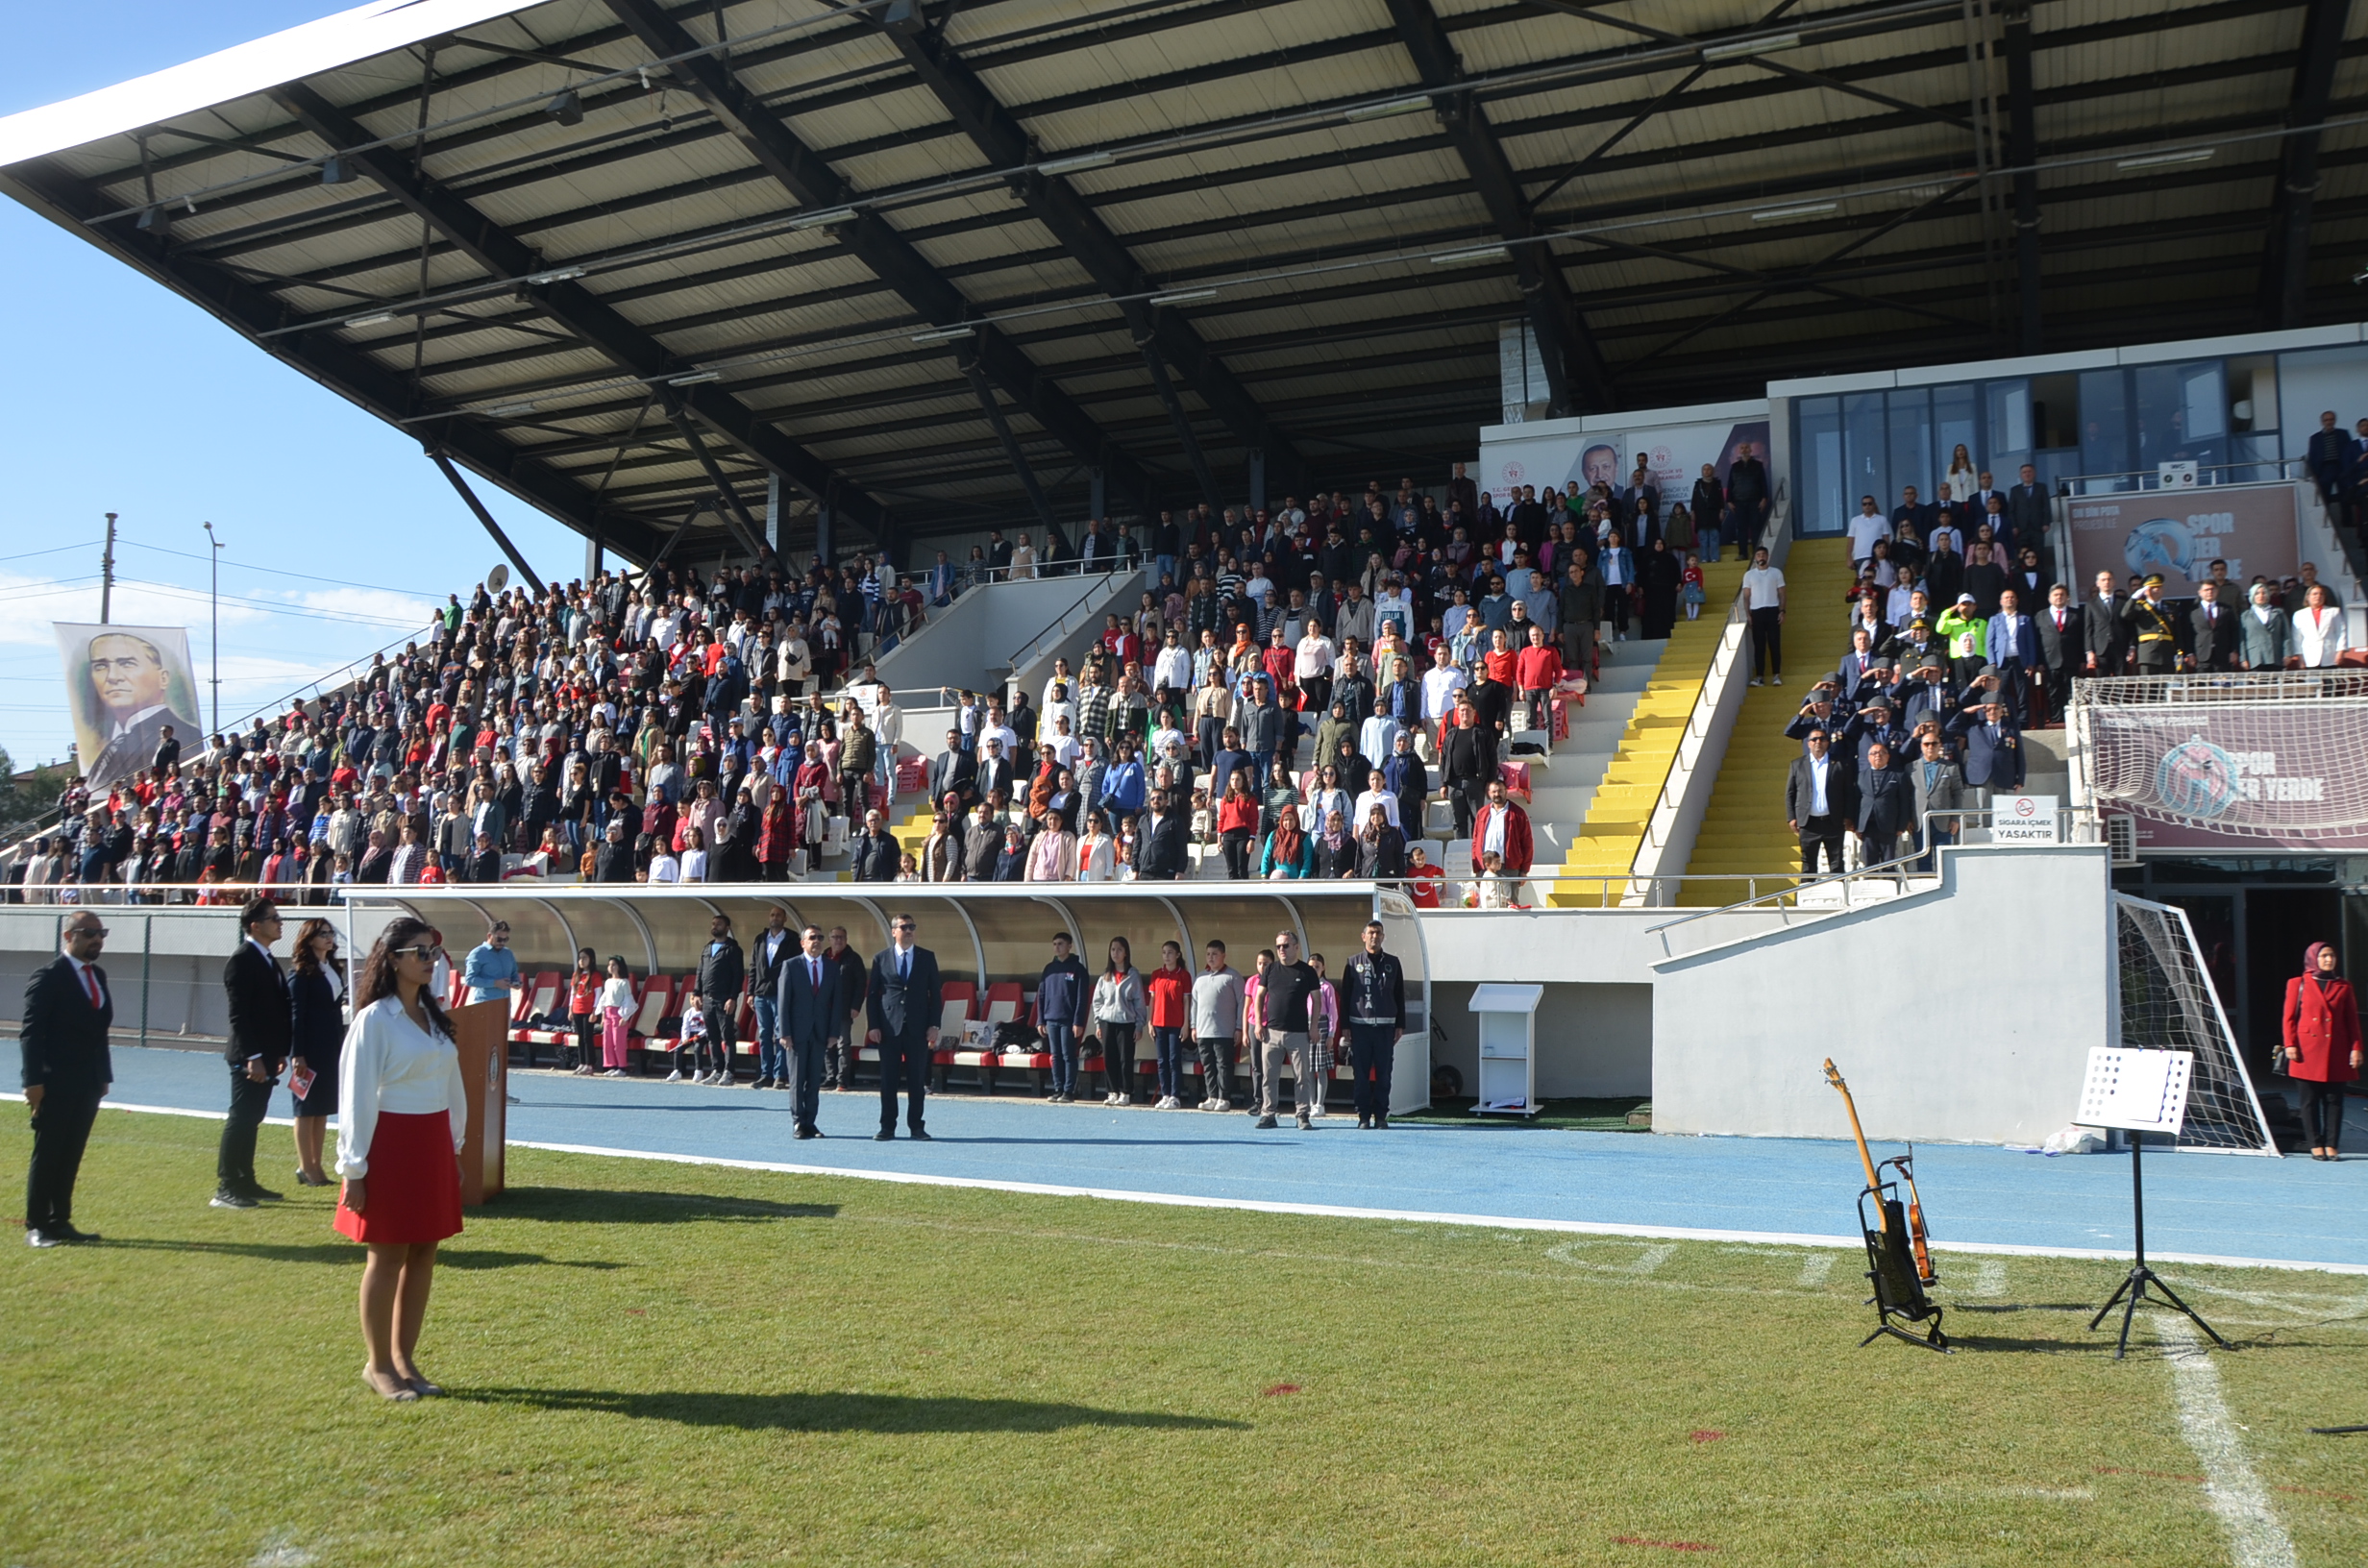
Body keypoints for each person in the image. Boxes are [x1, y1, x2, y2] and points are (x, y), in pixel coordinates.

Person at [334, 916, 469, 1403]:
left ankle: (405, 1360)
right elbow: (355, 1096)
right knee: (388, 1254)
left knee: (424, 1251)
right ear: (393, 959)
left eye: (434, 952)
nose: (431, 960)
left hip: (431, 1143)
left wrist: (454, 1146)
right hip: (389, 1144)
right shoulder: (374, 1020)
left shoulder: (434, 1016)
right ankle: (378, 1366)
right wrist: (354, 1169)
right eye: (420, 952)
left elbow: (451, 1083)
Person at [19, 910, 113, 1246]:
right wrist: (33, 1082)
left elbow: (99, 1032)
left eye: (101, 933)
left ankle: (60, 1220)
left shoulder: (97, 975)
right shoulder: (49, 976)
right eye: (89, 933)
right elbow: (32, 1033)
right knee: (49, 1153)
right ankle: (37, 1225)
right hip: (55, 1081)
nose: (96, 939)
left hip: (88, 1082)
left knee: (71, 1153)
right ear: (68, 936)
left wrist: (103, 1076)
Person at [216, 896, 290, 1210]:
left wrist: (279, 1052)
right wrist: (254, 1056)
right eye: (274, 918)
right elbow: (239, 1015)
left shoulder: (267, 958)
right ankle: (226, 1186)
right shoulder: (242, 960)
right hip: (250, 1058)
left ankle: (246, 1179)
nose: (280, 923)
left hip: (267, 1055)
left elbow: (276, 1010)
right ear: (255, 925)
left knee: (253, 1118)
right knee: (241, 1117)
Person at [865, 913, 942, 1139]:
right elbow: (873, 995)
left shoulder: (927, 957)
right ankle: (887, 1127)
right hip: (889, 1028)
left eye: (912, 927)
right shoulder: (881, 958)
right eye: (904, 927)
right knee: (888, 1080)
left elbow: (935, 994)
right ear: (894, 932)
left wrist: (934, 1024)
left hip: (918, 1028)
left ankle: (916, 1126)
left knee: (917, 1080)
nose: (909, 931)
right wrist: (873, 1025)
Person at [2283, 942, 2361, 1161]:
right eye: (2324, 956)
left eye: (2332, 956)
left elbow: (2352, 1021)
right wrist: (2290, 1044)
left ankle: (2331, 1144)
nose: (2329, 960)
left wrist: (2356, 1048)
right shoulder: (2297, 983)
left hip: (2336, 1051)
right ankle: (2315, 1143)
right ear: (2313, 958)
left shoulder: (2344, 986)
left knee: (2334, 1100)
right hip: (2306, 1051)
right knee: (2309, 1101)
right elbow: (2289, 1018)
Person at [287, 918, 346, 1188]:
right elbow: (295, 1016)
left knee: (322, 1108)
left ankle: (317, 1166)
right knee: (305, 1108)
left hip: (330, 1046)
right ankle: (306, 1167)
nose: (328, 937)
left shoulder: (332, 968)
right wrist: (297, 1053)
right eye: (322, 934)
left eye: (330, 933)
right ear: (309, 938)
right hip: (309, 1048)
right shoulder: (301, 973)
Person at [777, 925, 840, 1139]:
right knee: (797, 1080)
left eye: (820, 938)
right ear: (803, 943)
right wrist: (784, 1032)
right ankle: (798, 1122)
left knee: (814, 1080)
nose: (817, 941)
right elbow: (783, 1002)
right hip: (796, 1033)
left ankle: (811, 1122)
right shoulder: (791, 965)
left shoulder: (831, 967)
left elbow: (836, 1003)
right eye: (812, 938)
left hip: (820, 1032)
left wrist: (833, 1033)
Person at [1253, 931, 1320, 1131]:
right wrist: (1259, 1023)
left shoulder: (1307, 971)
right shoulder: (1270, 969)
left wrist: (1314, 1026)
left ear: (1296, 947)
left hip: (1298, 1033)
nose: (1281, 949)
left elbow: (1317, 1000)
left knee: (1302, 1077)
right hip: (1271, 1032)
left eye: (1286, 945)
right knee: (1269, 1076)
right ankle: (1268, 1114)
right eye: (1279, 946)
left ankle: (1302, 1115)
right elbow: (1259, 996)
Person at [1343, 919, 1405, 1132]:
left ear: (1383, 937)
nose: (1374, 937)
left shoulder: (1393, 963)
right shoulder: (1353, 963)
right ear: (1363, 936)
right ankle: (1363, 1116)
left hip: (1386, 1029)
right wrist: (1345, 1026)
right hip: (1359, 1028)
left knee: (1384, 1075)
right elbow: (1346, 996)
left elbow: (1399, 995)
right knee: (1360, 1075)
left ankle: (1381, 1116)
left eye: (1378, 933)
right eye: (1371, 933)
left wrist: (1400, 1024)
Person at [1785, 727, 1856, 876]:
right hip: (1808, 823)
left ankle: (1840, 890)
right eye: (1814, 739)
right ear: (1808, 743)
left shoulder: (1840, 764)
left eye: (1822, 739)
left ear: (1827, 742)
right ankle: (1808, 890)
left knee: (1836, 864)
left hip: (1833, 821)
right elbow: (1790, 793)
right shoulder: (1797, 764)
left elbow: (1849, 792)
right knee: (1808, 865)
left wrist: (1848, 816)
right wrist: (1792, 817)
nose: (1818, 742)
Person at [1188, 940, 1245, 1111]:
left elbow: (1242, 1003)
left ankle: (1224, 1097)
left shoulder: (1233, 976)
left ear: (1223, 955)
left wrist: (1239, 1027)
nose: (1211, 958)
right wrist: (1193, 1026)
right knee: (1208, 1065)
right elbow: (1194, 1004)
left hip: (1224, 1031)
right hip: (1203, 1030)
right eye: (1208, 954)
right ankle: (1211, 1096)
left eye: (1215, 954)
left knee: (1224, 1065)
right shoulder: (1200, 978)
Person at [1091, 937, 1147, 1105]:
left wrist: (1139, 1025)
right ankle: (1112, 1091)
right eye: (1113, 949)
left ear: (1126, 953)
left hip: (1126, 1023)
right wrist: (1098, 1022)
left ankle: (1125, 1092)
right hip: (1107, 1021)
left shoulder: (1133, 975)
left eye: (1119, 950)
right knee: (1109, 1058)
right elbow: (1097, 1000)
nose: (1115, 953)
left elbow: (1139, 1002)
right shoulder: (1105, 976)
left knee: (1125, 1059)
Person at [1036, 932, 1091, 1104]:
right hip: (1051, 1018)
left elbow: (1082, 998)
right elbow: (1041, 995)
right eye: (1054, 944)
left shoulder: (1078, 969)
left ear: (1069, 946)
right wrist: (1040, 1020)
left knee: (1068, 1055)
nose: (1057, 947)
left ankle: (1068, 1090)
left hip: (1069, 1020)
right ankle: (1058, 1088)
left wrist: (1078, 1021)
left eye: (1060, 944)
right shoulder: (1049, 969)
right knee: (1056, 1055)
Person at [695, 912, 745, 1086]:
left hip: (724, 999)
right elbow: (700, 972)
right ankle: (716, 1070)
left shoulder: (733, 949)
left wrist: (733, 998)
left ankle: (729, 1072)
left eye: (719, 924)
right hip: (707, 999)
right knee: (712, 1036)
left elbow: (738, 975)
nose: (715, 927)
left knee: (727, 1036)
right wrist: (696, 993)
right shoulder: (707, 948)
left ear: (727, 928)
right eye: (713, 924)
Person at [750, 907, 796, 1090]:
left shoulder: (792, 939)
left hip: (781, 994)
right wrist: (750, 992)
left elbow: (796, 967)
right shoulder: (760, 939)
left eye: (778, 915)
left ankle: (780, 1075)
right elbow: (753, 966)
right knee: (764, 1034)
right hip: (761, 994)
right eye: (772, 915)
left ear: (785, 918)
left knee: (781, 1034)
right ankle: (766, 1073)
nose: (775, 918)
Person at [1146, 941, 1193, 1110]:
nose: (1167, 956)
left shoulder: (1184, 975)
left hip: (1176, 1024)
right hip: (1159, 1023)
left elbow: (1186, 1001)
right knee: (1162, 1061)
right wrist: (1150, 1022)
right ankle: (1165, 1094)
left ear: (1178, 955)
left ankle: (1175, 1096)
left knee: (1174, 1060)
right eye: (1164, 952)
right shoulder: (1156, 974)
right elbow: (1152, 1000)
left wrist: (1186, 1024)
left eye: (1170, 952)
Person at [825, 925, 868, 1091]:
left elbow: (861, 984)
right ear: (829, 940)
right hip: (825, 1009)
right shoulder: (823, 957)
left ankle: (842, 1080)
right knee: (827, 1045)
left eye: (841, 937)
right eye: (835, 937)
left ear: (846, 939)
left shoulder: (853, 958)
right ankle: (830, 1077)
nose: (838, 940)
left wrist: (856, 1006)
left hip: (844, 1009)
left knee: (843, 1045)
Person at [1742, 545, 1786, 685]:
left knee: (1774, 643)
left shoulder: (1776, 572)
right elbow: (1746, 596)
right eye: (1758, 555)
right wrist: (1748, 614)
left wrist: (1782, 611)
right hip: (1757, 611)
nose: (1761, 557)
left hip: (1773, 610)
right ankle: (1759, 676)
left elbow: (1782, 593)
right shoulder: (1749, 575)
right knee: (1759, 645)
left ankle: (1776, 675)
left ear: (1767, 556)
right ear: (1755, 558)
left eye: (1763, 555)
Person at [597, 957, 634, 1077]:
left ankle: (621, 1067)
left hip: (619, 1013)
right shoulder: (608, 982)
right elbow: (604, 999)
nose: (611, 967)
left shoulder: (624, 982)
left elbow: (628, 1000)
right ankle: (611, 1065)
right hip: (608, 1013)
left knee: (618, 1042)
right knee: (607, 1041)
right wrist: (603, 1016)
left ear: (620, 967)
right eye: (609, 965)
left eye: (614, 965)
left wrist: (625, 1016)